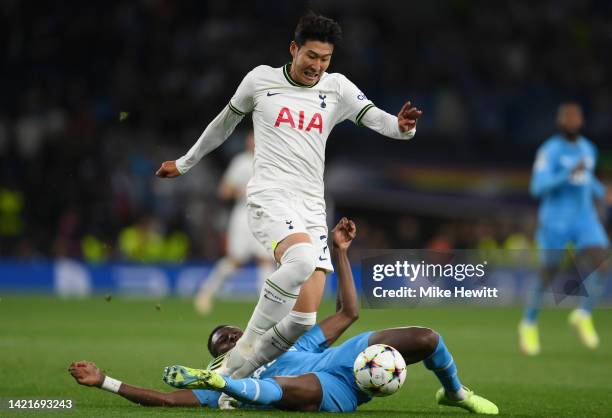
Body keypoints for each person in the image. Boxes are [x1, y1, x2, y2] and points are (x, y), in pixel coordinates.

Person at [155, 12, 422, 379]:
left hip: (311, 205)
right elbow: (223, 124)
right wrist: (185, 163)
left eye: (325, 59)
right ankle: (243, 349)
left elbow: (381, 120)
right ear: (294, 49)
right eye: (311, 56)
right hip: (270, 195)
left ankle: (234, 378)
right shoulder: (260, 80)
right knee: (298, 262)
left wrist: (402, 127)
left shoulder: (338, 87)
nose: (317, 66)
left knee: (303, 319)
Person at [69, 218, 498, 414]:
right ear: (219, 357)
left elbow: (349, 312)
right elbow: (163, 399)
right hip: (330, 391)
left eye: (233, 331)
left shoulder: (291, 340)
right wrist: (104, 381)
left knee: (426, 337)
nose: (232, 336)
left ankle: (456, 395)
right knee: (287, 388)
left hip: (347, 360)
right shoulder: (214, 379)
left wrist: (342, 254)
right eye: (223, 341)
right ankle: (242, 390)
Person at [519, 102, 610, 355]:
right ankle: (529, 323)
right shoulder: (549, 150)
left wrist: (603, 192)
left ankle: (583, 314)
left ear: (581, 121)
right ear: (560, 121)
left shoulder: (588, 148)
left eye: (576, 117)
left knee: (603, 262)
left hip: (584, 219)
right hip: (555, 221)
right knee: (548, 273)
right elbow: (537, 188)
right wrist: (567, 172)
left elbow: (587, 179)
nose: (572, 121)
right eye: (567, 117)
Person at [194, 131, 275, 314]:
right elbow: (223, 191)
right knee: (236, 260)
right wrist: (242, 191)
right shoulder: (241, 162)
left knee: (265, 259)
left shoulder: (272, 162)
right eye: (251, 138)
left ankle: (267, 306)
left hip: (266, 216)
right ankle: (206, 292)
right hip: (243, 216)